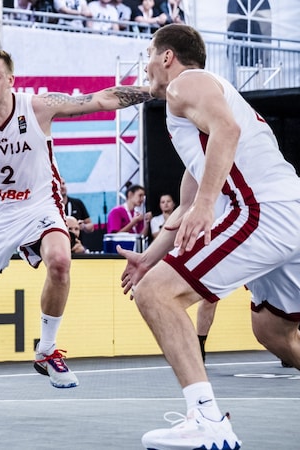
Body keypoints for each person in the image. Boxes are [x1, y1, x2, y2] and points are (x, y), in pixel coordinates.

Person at [0, 48, 151, 409]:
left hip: (38, 205)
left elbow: (99, 99)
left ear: (10, 80)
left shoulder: (38, 107)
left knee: (60, 261)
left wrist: (153, 90)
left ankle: (46, 350)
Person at [117, 24, 300, 449]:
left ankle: (206, 420)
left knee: (156, 295)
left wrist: (206, 205)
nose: (146, 65)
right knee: (272, 330)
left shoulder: (187, 83)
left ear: (167, 57)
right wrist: (149, 258)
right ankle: (205, 418)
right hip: (287, 209)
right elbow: (183, 208)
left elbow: (227, 133)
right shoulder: (195, 131)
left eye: (149, 53)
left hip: (264, 210)